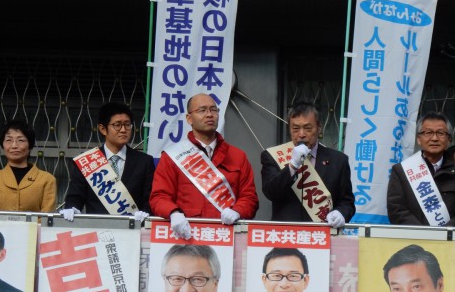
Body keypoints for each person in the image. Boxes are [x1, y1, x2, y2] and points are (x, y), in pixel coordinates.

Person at [150, 93, 258, 239]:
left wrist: (238, 211)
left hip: (226, 236)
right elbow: (159, 197)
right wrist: (173, 213)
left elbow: (249, 197)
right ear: (189, 119)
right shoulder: (172, 156)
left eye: (213, 110)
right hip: (187, 237)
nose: (209, 115)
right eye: (202, 110)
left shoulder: (238, 156)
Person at [260, 102, 354, 226]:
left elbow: (347, 202)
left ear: (319, 127)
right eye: (295, 129)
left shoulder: (339, 160)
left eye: (308, 128)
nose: (301, 134)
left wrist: (341, 213)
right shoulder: (272, 156)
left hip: (322, 236)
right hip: (285, 235)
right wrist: (292, 165)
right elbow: (270, 192)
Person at [62, 102, 154, 221]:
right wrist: (72, 208)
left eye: (127, 125)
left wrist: (145, 213)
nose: (123, 130)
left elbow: (149, 199)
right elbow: (75, 197)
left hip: (133, 231)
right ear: (103, 129)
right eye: (117, 125)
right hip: (97, 229)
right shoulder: (88, 161)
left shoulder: (144, 161)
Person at [387, 112, 455, 227]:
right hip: (412, 240)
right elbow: (396, 210)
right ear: (419, 139)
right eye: (428, 133)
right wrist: (422, 234)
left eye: (441, 133)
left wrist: (445, 234)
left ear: (449, 140)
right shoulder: (401, 171)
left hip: (449, 241)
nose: (434, 138)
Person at [0, 120, 56, 212]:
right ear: (2, 145)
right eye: (8, 140)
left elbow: (46, 219)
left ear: (30, 145)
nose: (14, 145)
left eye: (21, 140)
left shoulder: (47, 179)